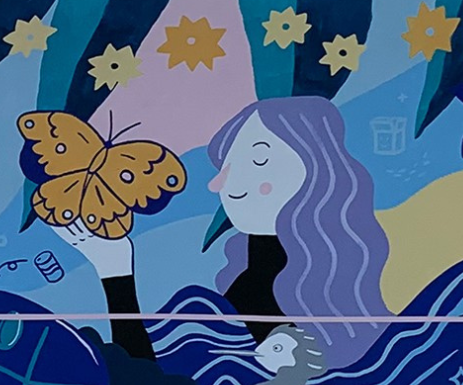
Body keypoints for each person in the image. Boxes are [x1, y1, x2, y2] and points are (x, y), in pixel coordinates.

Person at [49, 96, 390, 369]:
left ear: (320, 173)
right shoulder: (244, 283)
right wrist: (114, 268)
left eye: (258, 161)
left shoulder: (324, 300)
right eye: (227, 164)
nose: (220, 183)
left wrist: (117, 275)